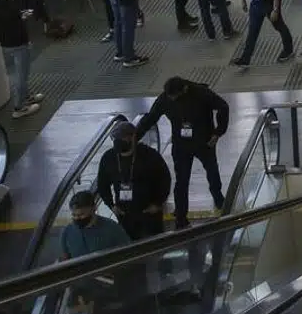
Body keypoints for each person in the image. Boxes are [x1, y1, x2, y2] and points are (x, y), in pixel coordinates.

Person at [135, 76, 228, 227]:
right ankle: (181, 215)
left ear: (184, 89)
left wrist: (218, 132)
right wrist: (135, 137)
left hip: (204, 142)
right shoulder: (165, 98)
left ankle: (218, 197)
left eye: (175, 97)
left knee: (212, 170)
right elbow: (151, 118)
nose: (172, 100)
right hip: (181, 144)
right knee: (181, 180)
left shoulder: (201, 93)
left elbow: (223, 107)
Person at [96, 121, 171, 240]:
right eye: (115, 138)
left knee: (153, 244)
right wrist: (111, 205)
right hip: (124, 213)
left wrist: (158, 203)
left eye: (122, 138)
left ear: (133, 137)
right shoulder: (109, 157)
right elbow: (102, 183)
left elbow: (165, 179)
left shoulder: (149, 155)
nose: (117, 141)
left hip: (149, 211)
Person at [0, 0, 44, 119]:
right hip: (18, 43)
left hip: (5, 42)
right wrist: (21, 18)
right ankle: (19, 107)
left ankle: (27, 96)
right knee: (21, 75)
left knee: (20, 73)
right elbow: (14, 21)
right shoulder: (9, 6)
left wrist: (18, 16)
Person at [60, 190, 130, 260]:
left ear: (94, 208)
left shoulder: (112, 229)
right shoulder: (67, 232)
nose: (77, 218)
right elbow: (65, 258)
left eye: (81, 214)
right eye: (74, 215)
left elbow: (128, 252)